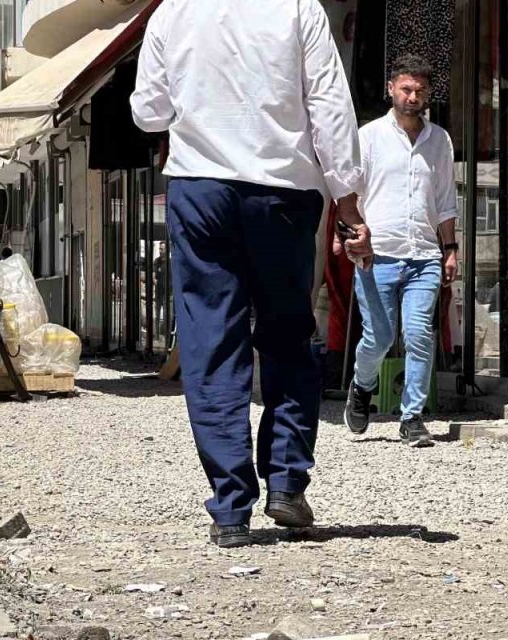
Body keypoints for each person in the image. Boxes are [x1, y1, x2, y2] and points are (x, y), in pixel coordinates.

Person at [131, 0, 373, 548]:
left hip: (199, 187)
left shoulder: (173, 11)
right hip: (282, 191)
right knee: (288, 333)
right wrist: (349, 202)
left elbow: (148, 113)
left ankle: (230, 508)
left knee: (211, 339)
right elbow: (330, 107)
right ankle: (286, 483)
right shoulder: (298, 9)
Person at [344, 54, 459, 448]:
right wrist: (351, 233)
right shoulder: (369, 137)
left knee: (418, 334)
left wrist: (451, 249)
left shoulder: (439, 140)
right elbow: (348, 192)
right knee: (377, 338)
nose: (413, 96)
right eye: (406, 89)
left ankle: (412, 417)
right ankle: (362, 387)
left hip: (424, 254)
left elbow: (445, 201)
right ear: (391, 89)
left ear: (428, 95)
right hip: (378, 254)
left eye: (420, 91)